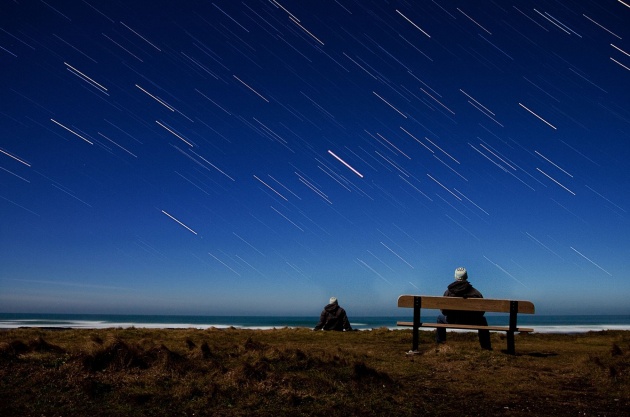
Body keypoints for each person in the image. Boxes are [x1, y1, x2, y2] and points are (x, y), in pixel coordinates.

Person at [436, 267, 492, 350]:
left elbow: (443, 311)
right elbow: (482, 311)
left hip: (452, 320)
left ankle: (441, 345)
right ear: (466, 276)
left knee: (439, 318)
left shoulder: (448, 292)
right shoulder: (475, 292)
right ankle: (486, 347)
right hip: (471, 321)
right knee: (483, 319)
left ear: (455, 276)